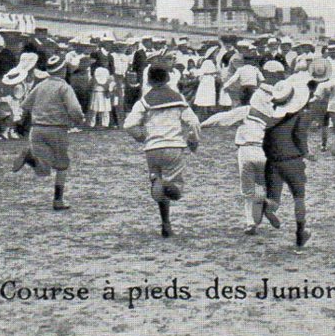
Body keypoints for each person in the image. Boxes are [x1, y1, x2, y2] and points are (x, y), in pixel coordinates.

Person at [123, 61, 202, 238]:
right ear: (168, 78)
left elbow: (128, 124)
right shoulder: (178, 98)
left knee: (158, 187)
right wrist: (193, 140)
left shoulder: (145, 100)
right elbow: (194, 122)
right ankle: (165, 184)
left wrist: (140, 136)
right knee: (176, 191)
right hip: (174, 146)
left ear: (149, 81)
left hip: (152, 148)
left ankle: (166, 223)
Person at [202, 83, 283, 234]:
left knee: (247, 192)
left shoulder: (247, 111)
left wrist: (202, 125)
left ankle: (249, 222)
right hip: (265, 153)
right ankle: (268, 205)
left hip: (246, 151)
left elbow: (222, 118)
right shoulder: (275, 117)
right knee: (267, 187)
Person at [13, 55, 86, 211]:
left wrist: (20, 123)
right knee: (62, 166)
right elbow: (74, 109)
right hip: (57, 129)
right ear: (63, 70)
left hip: (36, 129)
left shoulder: (40, 86)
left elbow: (25, 105)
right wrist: (79, 120)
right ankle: (58, 200)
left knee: (43, 169)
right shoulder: (64, 87)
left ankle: (29, 157)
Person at [262, 79, 315, 248]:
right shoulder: (300, 116)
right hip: (292, 161)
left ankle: (266, 207)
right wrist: (306, 153)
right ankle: (300, 233)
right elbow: (299, 137)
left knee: (274, 199)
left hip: (272, 161)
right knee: (299, 198)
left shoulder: (271, 118)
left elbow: (265, 143)